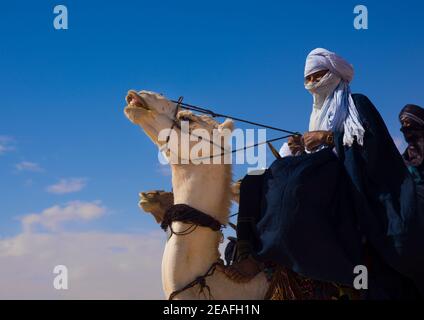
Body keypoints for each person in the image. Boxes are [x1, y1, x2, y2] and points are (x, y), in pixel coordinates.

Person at [224, 48, 424, 299]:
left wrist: (327, 137)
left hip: (353, 180)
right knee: (254, 180)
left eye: (317, 76)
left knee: (295, 183)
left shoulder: (357, 103)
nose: (312, 83)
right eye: (307, 79)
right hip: (322, 173)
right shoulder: (317, 113)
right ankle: (247, 251)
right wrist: (300, 148)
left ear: (334, 74)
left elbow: (374, 147)